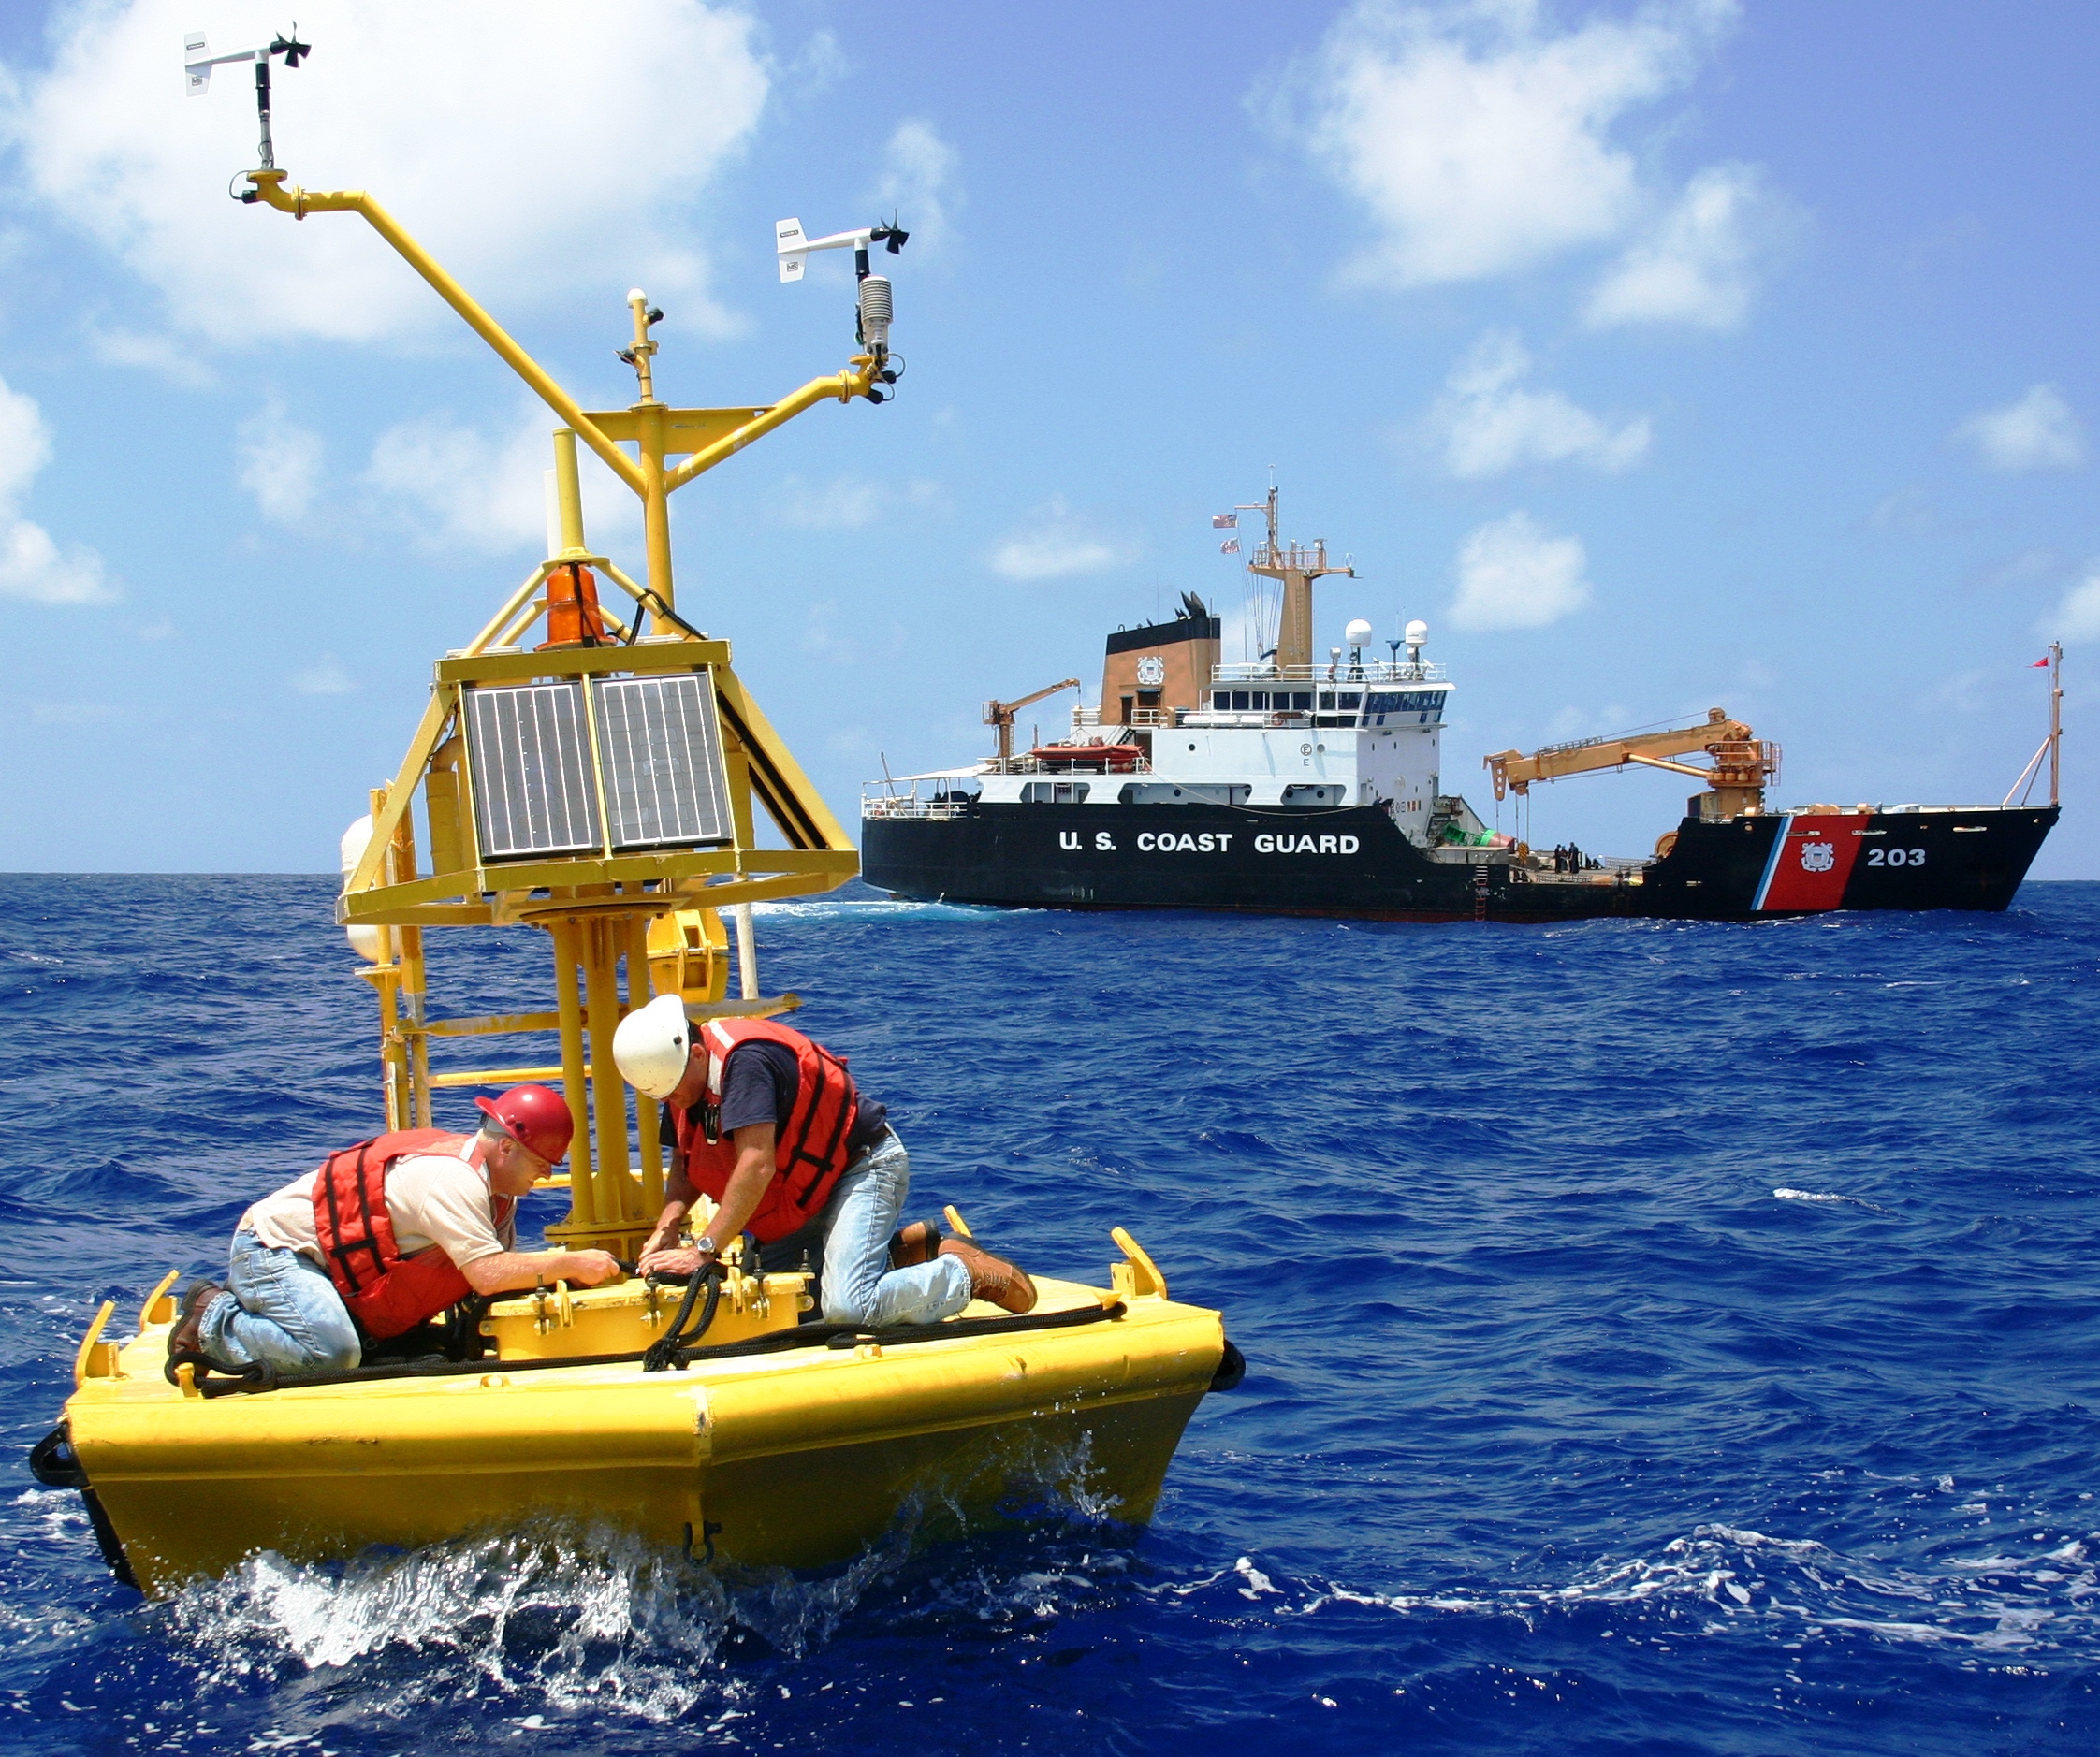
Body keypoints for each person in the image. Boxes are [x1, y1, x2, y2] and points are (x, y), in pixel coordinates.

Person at [610, 995, 1035, 1326]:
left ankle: (965, 1272)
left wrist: (704, 1249)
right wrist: (667, 1227)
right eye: (663, 1098)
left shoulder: (744, 1064)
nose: (673, 1102)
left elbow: (757, 1163)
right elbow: (687, 1161)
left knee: (849, 1308)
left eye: (675, 1093)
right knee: (786, 1311)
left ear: (698, 1055)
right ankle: (900, 1256)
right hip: (797, 1195)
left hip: (860, 1168)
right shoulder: (678, 1076)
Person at [167, 1084, 622, 1378]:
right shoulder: (452, 1180)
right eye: (541, 1165)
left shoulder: (498, 1196)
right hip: (274, 1250)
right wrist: (572, 1262)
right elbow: (489, 1273)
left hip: (335, 1272)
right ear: (506, 1147)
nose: (544, 1178)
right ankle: (213, 1317)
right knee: (334, 1356)